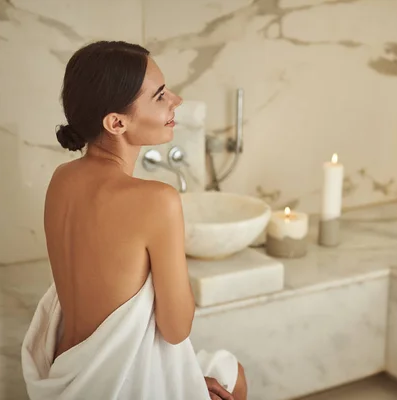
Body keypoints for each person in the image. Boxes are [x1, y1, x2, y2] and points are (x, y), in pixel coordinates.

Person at [20, 41, 247, 400]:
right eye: (159, 96)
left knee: (215, 371)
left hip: (68, 375)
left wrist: (182, 375)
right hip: (119, 386)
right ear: (116, 122)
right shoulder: (156, 200)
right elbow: (175, 329)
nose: (176, 100)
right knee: (233, 377)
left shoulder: (62, 179)